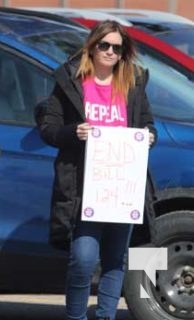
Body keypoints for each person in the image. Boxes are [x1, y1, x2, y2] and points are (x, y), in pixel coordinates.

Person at [37, 20, 157, 320]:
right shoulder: (71, 81)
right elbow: (49, 128)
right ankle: (76, 316)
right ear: (92, 46)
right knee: (83, 260)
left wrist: (148, 136)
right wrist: (72, 132)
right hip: (83, 189)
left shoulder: (133, 83)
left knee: (116, 260)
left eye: (117, 48)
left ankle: (105, 316)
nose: (110, 52)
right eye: (104, 45)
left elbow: (147, 123)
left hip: (121, 189)